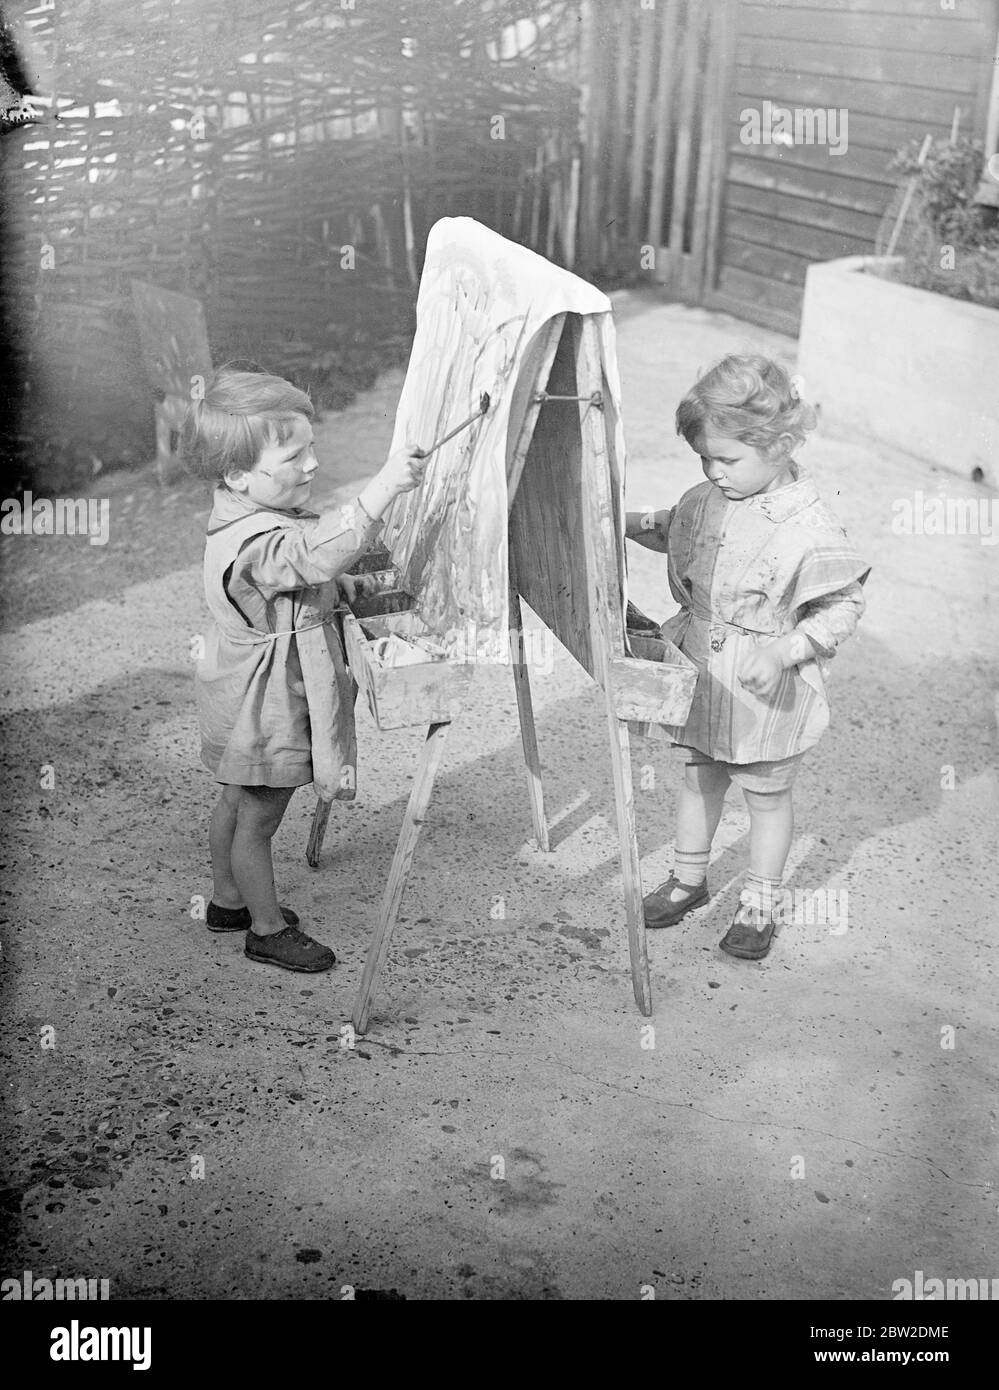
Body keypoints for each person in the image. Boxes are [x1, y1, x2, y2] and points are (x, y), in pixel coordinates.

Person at [183, 363, 425, 973]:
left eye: (311, 448)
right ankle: (265, 929)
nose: (312, 465)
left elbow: (307, 586)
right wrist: (383, 489)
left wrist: (366, 586)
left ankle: (227, 901)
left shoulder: (239, 519)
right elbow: (313, 559)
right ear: (237, 474)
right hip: (264, 705)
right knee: (259, 818)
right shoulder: (260, 541)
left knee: (236, 800)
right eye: (293, 457)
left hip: (237, 695)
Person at [626, 354, 869, 960]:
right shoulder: (708, 495)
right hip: (705, 674)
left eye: (726, 458)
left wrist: (788, 649)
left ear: (781, 445)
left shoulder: (807, 525)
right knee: (698, 775)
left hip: (763, 685)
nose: (713, 470)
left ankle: (760, 902)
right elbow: (671, 524)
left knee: (765, 795)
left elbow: (841, 605)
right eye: (704, 457)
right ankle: (688, 878)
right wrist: (616, 521)